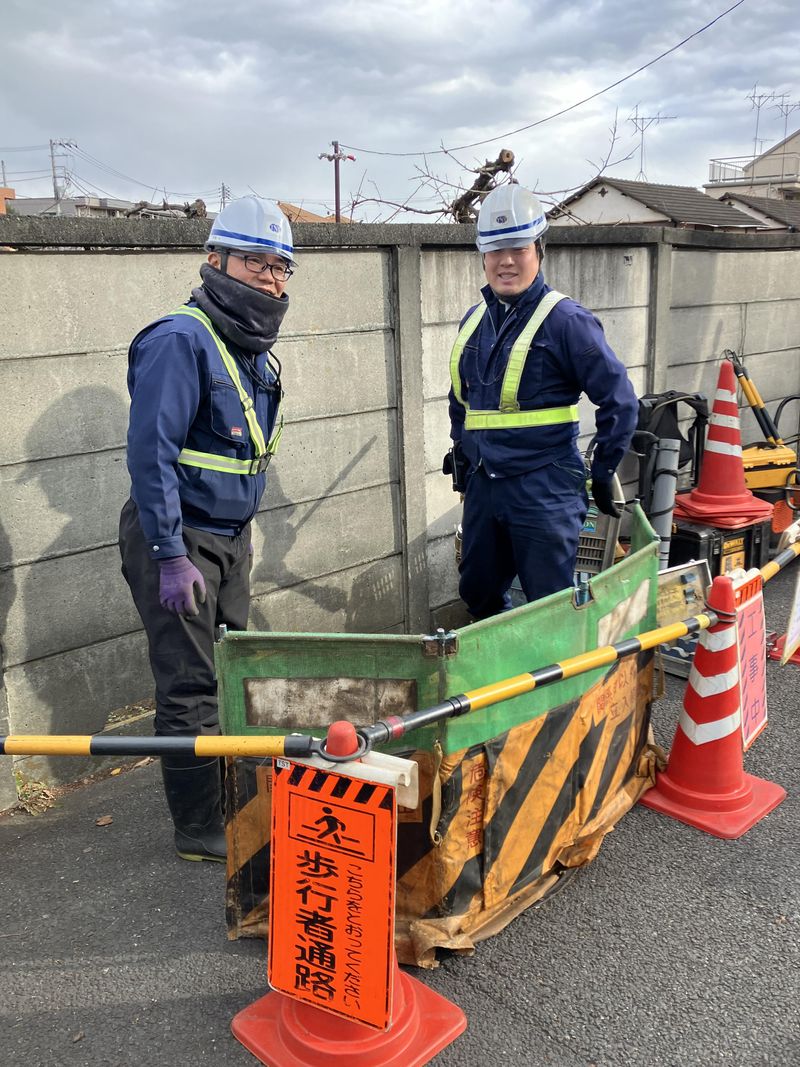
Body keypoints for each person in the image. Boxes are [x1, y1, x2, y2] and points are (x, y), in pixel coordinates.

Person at [119, 196, 294, 862]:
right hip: (179, 539)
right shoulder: (179, 339)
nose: (270, 278)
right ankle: (198, 828)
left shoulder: (246, 350)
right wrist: (168, 553)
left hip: (225, 539)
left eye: (281, 267)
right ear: (215, 259)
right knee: (190, 684)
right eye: (255, 261)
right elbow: (151, 454)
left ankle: (229, 798)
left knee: (230, 671)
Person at [445, 183, 638, 620]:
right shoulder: (473, 321)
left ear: (539, 249)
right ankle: (497, 684)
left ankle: (558, 687)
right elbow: (462, 402)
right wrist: (462, 453)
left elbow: (620, 402)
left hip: (543, 486)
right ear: (482, 255)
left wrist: (605, 471)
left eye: (518, 247)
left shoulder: (567, 322)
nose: (506, 260)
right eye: (495, 249)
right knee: (478, 592)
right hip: (484, 486)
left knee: (549, 605)